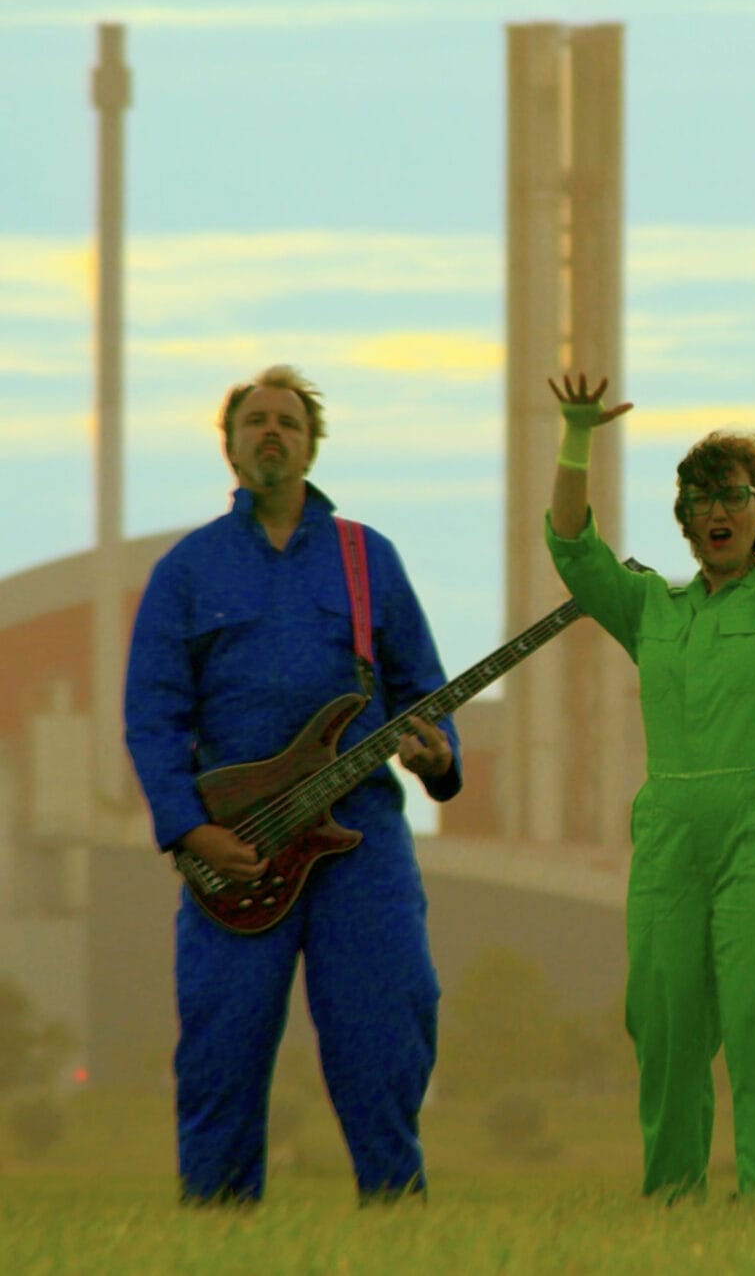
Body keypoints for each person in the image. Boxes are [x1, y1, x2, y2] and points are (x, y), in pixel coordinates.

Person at [124, 365, 461, 1205]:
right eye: (255, 422)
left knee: (388, 1026)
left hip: (362, 843)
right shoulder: (187, 569)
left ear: (312, 445)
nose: (271, 433)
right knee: (222, 1047)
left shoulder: (366, 558)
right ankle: (220, 1230)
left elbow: (424, 689)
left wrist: (437, 755)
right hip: (235, 846)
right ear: (230, 445)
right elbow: (153, 716)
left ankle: (395, 1221)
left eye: (288, 422)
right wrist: (187, 827)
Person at [545, 349, 755, 1199]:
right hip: (671, 837)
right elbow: (575, 551)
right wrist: (576, 440)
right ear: (685, 522)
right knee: (665, 1029)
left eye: (734, 494)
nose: (717, 510)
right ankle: (674, 1211)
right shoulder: (653, 608)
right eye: (701, 500)